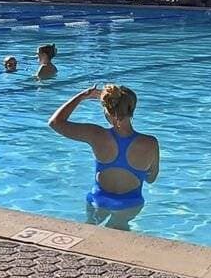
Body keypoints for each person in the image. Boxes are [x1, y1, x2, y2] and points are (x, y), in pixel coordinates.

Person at [49, 84, 159, 230]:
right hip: (129, 204)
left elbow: (55, 123)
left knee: (88, 233)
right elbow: (151, 178)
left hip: (98, 200)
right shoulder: (150, 143)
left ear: (107, 111)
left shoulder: (96, 135)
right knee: (118, 237)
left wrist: (83, 96)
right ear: (132, 109)